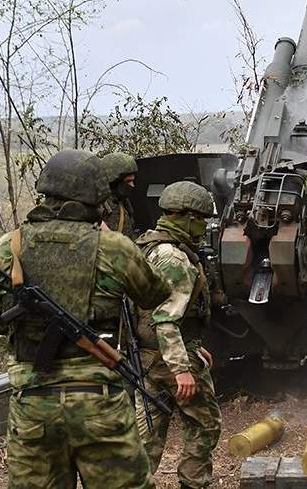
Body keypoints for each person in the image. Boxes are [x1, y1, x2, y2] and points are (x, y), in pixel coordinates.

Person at [0, 150, 172, 489]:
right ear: (97, 197)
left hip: (33, 404)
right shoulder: (114, 247)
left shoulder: (10, 248)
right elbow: (155, 294)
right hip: (99, 400)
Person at [134, 181, 222, 488]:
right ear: (186, 217)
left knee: (147, 436)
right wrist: (182, 369)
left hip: (145, 358)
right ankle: (193, 484)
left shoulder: (148, 246)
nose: (203, 227)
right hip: (169, 361)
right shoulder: (175, 258)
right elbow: (166, 320)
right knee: (204, 425)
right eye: (202, 219)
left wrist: (194, 346)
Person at [100, 152, 139, 239]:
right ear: (114, 181)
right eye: (128, 181)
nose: (132, 185)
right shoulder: (99, 205)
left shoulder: (122, 202)